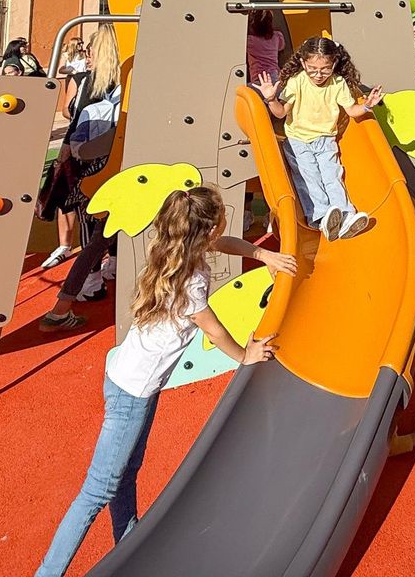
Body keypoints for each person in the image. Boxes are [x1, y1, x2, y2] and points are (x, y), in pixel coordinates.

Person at [34, 186, 292, 577]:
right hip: (133, 391)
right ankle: (48, 573)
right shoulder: (189, 280)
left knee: (126, 472)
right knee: (97, 490)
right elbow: (215, 331)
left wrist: (263, 253)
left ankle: (129, 543)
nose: (226, 223)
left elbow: (226, 242)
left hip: (129, 378)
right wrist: (245, 355)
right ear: (204, 231)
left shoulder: (178, 251)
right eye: (222, 217)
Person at [255, 36, 382, 240]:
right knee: (309, 177)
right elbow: (280, 113)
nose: (318, 74)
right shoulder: (297, 81)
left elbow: (351, 110)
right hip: (298, 141)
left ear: (334, 64)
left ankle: (346, 215)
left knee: (333, 175)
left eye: (325, 69)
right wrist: (270, 99)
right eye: (312, 68)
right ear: (304, 63)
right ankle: (320, 216)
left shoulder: (338, 83)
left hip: (325, 139)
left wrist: (367, 105)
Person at [39, 24, 124, 275]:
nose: (88, 56)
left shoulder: (91, 82)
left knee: (88, 214)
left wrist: (66, 148)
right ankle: (113, 264)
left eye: (91, 50)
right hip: (112, 153)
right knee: (112, 210)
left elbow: (75, 119)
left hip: (88, 156)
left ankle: (91, 276)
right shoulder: (125, 82)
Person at [245, 9, 285, 90]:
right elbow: (281, 47)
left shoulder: (249, 40)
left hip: (258, 78)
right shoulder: (277, 36)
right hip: (274, 76)